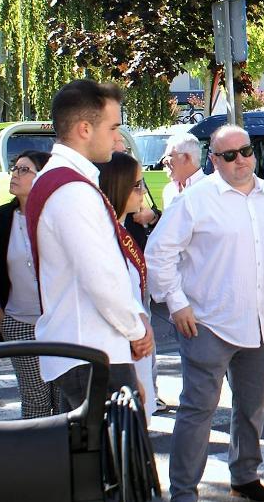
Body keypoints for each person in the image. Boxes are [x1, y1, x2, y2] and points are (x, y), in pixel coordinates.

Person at [147, 125, 264, 502]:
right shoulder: (195, 200)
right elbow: (159, 254)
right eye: (229, 155)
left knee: (252, 408)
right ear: (214, 160)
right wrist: (177, 303)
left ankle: (245, 476)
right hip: (208, 324)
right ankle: (184, 491)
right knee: (197, 412)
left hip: (263, 325)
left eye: (246, 151)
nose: (241, 160)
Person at [26, 79, 153, 411]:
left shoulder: (63, 180)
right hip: (90, 349)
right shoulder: (72, 189)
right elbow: (102, 278)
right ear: (84, 128)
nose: (117, 137)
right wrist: (136, 329)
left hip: (88, 348)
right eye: (113, 127)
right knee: (115, 461)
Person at [0, 150, 56, 419]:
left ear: (42, 178)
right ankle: (36, 457)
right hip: (18, 321)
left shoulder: (56, 216)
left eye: (24, 170)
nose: (15, 174)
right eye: (15, 168)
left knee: (64, 400)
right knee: (35, 400)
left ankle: (66, 457)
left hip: (58, 323)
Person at [97, 151, 161, 422]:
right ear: (117, 186)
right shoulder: (105, 235)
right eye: (137, 185)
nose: (142, 192)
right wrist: (131, 376)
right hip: (122, 353)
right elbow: (111, 300)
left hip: (135, 350)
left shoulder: (121, 230)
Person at [161, 132, 205, 209]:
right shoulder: (169, 190)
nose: (164, 161)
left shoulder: (211, 188)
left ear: (185, 158)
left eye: (169, 156)